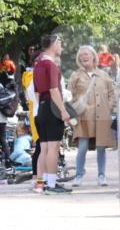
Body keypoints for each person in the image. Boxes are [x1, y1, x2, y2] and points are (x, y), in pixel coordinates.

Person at [68, 44, 116, 187]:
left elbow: (111, 93)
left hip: (102, 116)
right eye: (81, 55)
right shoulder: (75, 75)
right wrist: (72, 114)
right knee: (82, 147)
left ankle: (101, 175)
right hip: (83, 117)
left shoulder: (103, 74)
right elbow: (69, 96)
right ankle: (78, 175)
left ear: (94, 56)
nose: (83, 57)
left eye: (86, 54)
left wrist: (109, 108)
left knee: (101, 147)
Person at [33, 34, 75, 194]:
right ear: (54, 44)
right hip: (52, 108)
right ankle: (51, 184)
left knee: (44, 148)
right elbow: (53, 89)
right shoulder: (51, 66)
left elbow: (36, 92)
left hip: (42, 108)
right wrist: (63, 111)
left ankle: (41, 183)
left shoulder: (37, 64)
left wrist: (40, 109)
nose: (62, 47)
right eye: (60, 44)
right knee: (53, 147)